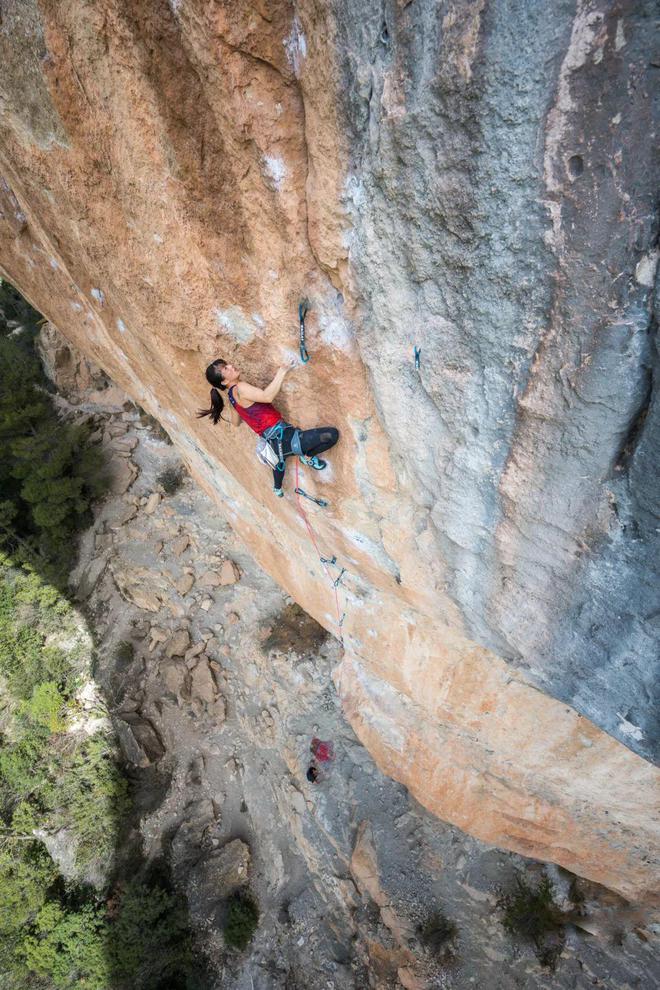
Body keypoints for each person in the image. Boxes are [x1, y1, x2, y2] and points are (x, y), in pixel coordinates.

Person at [196, 357, 339, 496]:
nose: (231, 366)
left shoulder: (232, 397)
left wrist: (249, 413)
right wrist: (282, 371)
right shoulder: (240, 388)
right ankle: (307, 457)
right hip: (284, 438)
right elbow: (267, 397)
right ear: (225, 380)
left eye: (227, 364)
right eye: (226, 369)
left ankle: (277, 489)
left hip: (271, 443)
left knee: (279, 461)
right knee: (332, 435)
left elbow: (236, 423)